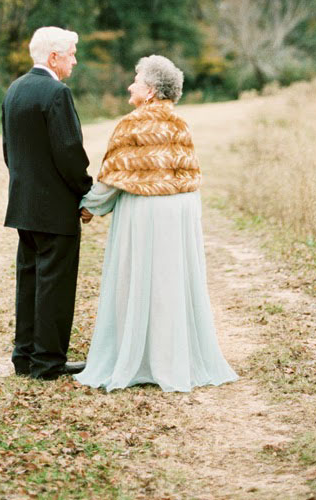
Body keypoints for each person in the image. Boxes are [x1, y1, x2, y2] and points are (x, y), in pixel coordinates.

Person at [74, 54, 239, 392]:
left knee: (139, 280)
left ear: (149, 91)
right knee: (170, 282)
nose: (129, 85)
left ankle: (141, 356)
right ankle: (172, 357)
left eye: (135, 80)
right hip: (180, 210)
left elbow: (112, 179)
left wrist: (87, 206)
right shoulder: (181, 124)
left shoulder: (132, 124)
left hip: (146, 209)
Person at [2, 26, 93, 380]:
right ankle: (48, 362)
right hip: (55, 207)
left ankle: (23, 356)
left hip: (23, 204)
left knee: (30, 281)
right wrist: (84, 190)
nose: (74, 59)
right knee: (54, 284)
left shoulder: (15, 90)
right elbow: (69, 151)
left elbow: (9, 151)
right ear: (53, 57)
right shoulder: (56, 93)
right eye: (71, 53)